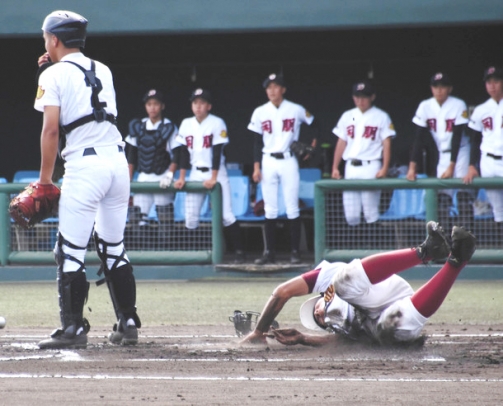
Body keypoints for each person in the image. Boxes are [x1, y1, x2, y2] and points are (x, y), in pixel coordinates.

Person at [34, 10, 141, 349]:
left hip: (85, 166)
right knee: (113, 246)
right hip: (117, 163)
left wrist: (45, 180)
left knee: (69, 251)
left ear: (54, 39)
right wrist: (50, 67)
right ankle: (128, 321)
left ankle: (73, 329)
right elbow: (82, 95)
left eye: (46, 38)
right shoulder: (103, 69)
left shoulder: (53, 74)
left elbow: (52, 130)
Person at [241, 221, 476, 347]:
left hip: (376, 289)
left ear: (317, 299)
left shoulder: (328, 285)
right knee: (393, 331)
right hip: (382, 315)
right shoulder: (340, 329)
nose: (319, 316)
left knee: (341, 283)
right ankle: (456, 262)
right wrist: (303, 338)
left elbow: (281, 292)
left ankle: (425, 252)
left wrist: (259, 331)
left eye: (314, 311)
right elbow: (339, 342)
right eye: (318, 322)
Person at [248, 73, 318, 265]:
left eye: (275, 86)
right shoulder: (260, 111)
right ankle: (269, 252)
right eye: (268, 87)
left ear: (283, 89)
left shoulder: (295, 109)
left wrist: (310, 147)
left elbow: (315, 125)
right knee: (269, 208)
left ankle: (295, 252)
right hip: (268, 159)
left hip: (288, 159)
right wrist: (256, 167)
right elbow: (255, 142)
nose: (272, 90)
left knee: (292, 207)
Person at [174, 88, 244, 263]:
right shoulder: (186, 123)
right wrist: (182, 176)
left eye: (202, 103)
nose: (198, 106)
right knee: (190, 217)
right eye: (195, 103)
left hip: (217, 173)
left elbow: (217, 151)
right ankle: (195, 255)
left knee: (226, 215)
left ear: (209, 106)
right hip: (195, 172)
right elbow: (182, 153)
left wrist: (213, 178)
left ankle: (240, 253)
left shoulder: (217, 122)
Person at [407, 72, 473, 231]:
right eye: (435, 86)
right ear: (431, 88)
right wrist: (412, 167)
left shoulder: (458, 104)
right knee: (442, 201)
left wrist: (452, 166)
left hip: (461, 152)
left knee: (464, 198)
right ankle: (445, 244)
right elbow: (419, 138)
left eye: (443, 86)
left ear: (449, 89)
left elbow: (457, 137)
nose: (439, 90)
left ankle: (467, 243)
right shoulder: (425, 106)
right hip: (442, 154)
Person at [331, 80, 395, 236]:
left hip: (371, 165)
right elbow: (341, 141)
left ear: (372, 97)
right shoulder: (348, 115)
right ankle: (355, 252)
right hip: (350, 166)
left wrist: (384, 167)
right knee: (351, 214)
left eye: (364, 96)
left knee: (370, 212)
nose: (360, 100)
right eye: (357, 96)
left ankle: (373, 250)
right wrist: (334, 167)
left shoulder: (381, 116)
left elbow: (387, 143)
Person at [125, 89, 180, 226]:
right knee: (137, 220)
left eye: (156, 104)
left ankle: (166, 248)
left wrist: (170, 175)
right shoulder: (139, 126)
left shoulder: (169, 126)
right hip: (143, 176)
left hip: (162, 177)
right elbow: (131, 154)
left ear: (162, 106)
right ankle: (141, 248)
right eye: (149, 104)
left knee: (165, 219)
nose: (152, 107)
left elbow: (178, 154)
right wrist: (129, 177)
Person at [464, 66, 503, 241]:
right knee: (498, 210)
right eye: (489, 82)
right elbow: (475, 140)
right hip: (488, 162)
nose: (492, 85)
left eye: (496, 81)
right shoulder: (481, 109)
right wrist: (472, 166)